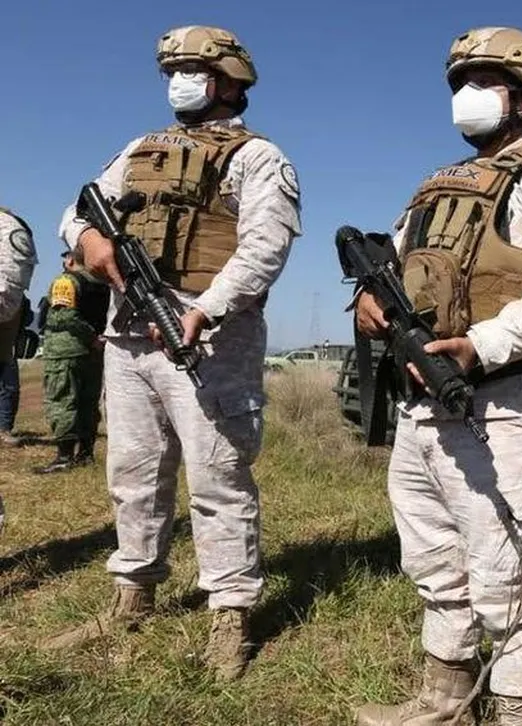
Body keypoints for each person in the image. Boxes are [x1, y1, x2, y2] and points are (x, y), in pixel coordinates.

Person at [351, 26, 522, 726]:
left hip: (504, 399)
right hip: (422, 403)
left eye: (484, 81)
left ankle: (521, 713)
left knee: (511, 576)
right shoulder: (437, 187)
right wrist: (369, 304)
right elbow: (395, 269)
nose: (466, 96)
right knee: (433, 559)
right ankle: (443, 701)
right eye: (461, 81)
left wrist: (483, 346)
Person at [42, 25, 303, 681]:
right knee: (133, 470)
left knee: (218, 478)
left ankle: (230, 613)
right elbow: (77, 211)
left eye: (192, 68)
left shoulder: (259, 157)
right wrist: (91, 245)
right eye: (173, 69)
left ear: (229, 81)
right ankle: (133, 593)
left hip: (211, 332)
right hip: (130, 328)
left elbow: (265, 249)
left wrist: (204, 309)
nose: (178, 80)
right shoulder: (139, 149)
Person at [33, 247, 110, 474]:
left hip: (65, 351)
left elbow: (63, 316)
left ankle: (64, 457)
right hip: (92, 353)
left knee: (62, 401)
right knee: (87, 403)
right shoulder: (101, 285)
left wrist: (90, 336)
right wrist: (96, 339)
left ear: (70, 260)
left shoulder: (66, 281)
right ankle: (85, 454)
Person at [0, 206, 38, 446]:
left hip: (7, 304)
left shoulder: (7, 225)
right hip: (9, 304)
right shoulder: (15, 224)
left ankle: (2, 429)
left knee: (5, 368)